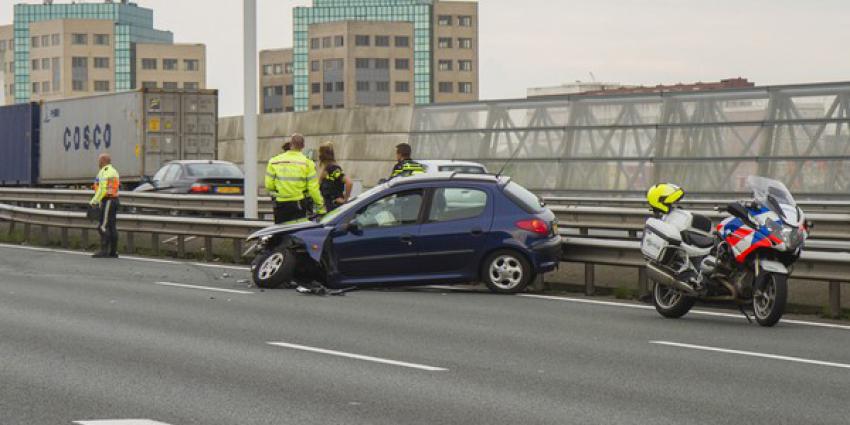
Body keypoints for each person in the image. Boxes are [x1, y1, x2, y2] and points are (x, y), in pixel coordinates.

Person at [265, 133, 326, 224]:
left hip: (280, 205)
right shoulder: (307, 163)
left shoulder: (274, 161)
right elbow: (313, 189)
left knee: (280, 233)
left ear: (290, 144)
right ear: (303, 146)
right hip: (299, 204)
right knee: (296, 233)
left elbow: (269, 185)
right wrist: (321, 207)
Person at [89, 153, 120, 258]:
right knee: (112, 227)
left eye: (99, 161)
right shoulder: (114, 171)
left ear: (103, 161)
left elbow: (102, 189)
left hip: (108, 200)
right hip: (115, 199)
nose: (98, 163)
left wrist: (93, 201)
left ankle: (104, 250)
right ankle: (113, 251)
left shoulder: (104, 172)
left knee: (102, 226)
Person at [318, 141, 353, 213]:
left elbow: (349, 182)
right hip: (329, 208)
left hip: (335, 208)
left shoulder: (333, 168)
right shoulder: (326, 168)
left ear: (322, 155)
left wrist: (345, 199)